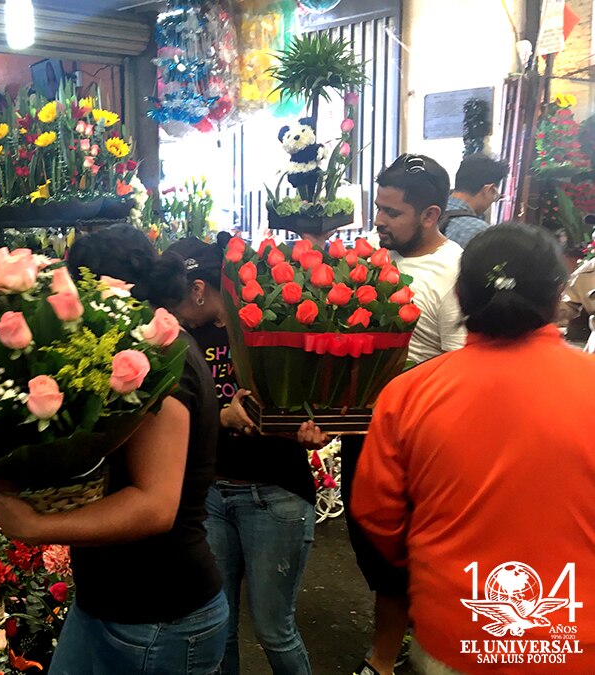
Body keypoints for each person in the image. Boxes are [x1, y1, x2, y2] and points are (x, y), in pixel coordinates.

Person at [352, 223, 595, 674]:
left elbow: (376, 513)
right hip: (575, 638)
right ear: (558, 295)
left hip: (454, 627)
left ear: (460, 296)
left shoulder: (409, 394)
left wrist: (427, 562)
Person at [0, 225, 228, 674]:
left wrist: (40, 525)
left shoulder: (164, 365)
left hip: (161, 615)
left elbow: (155, 506)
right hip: (107, 602)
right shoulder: (127, 355)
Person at [165, 237, 325, 675]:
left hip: (276, 494)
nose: (171, 312)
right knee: (220, 628)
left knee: (275, 630)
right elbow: (169, 417)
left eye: (176, 298)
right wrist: (222, 417)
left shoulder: (266, 327)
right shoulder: (176, 339)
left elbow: (308, 402)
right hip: (211, 497)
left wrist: (315, 426)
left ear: (199, 289)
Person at [346, 153, 468, 675]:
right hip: (365, 425)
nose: (379, 220)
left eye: (391, 212)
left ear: (430, 214)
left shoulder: (456, 271)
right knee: (369, 537)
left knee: (405, 550)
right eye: (378, 208)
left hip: (420, 437)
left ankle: (386, 657)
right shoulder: (376, 260)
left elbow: (462, 365)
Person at [442, 154, 509, 249]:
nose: (493, 201)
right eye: (495, 195)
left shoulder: (430, 212)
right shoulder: (478, 231)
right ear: (489, 189)